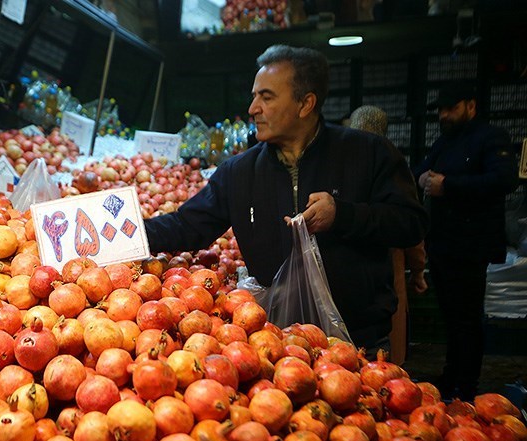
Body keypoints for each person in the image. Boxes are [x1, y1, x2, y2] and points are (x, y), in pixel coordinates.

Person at [144, 44, 429, 353]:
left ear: (305, 104)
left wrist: (343, 215)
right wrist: (123, 233)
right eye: (254, 96)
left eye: (266, 97)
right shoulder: (239, 172)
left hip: (360, 343)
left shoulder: (368, 153)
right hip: (276, 344)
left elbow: (411, 223)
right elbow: (187, 225)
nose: (253, 108)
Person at [413, 81, 519, 400]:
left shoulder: (491, 137)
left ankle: (467, 384)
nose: (445, 115)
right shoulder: (444, 140)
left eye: (451, 108)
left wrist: (450, 185)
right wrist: (420, 177)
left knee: (467, 317)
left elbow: (504, 180)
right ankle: (451, 375)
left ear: (470, 106)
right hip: (443, 242)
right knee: (450, 314)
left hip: (472, 244)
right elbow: (424, 167)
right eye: (441, 110)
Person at [348, 105, 429, 365]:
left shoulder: (343, 164)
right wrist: (417, 271)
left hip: (353, 280)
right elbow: (412, 234)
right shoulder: (391, 165)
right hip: (386, 274)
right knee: (386, 350)